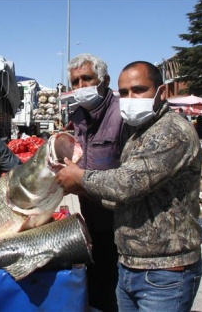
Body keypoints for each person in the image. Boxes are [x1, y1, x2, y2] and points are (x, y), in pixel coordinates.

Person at [56, 61, 202, 311]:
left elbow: (127, 184)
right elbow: (125, 199)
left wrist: (80, 178)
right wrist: (79, 188)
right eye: (124, 93)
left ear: (161, 92)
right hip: (131, 265)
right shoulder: (138, 134)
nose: (130, 98)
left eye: (139, 90)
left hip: (164, 270)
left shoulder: (171, 131)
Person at [64, 53, 133, 311]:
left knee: (119, 291)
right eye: (75, 82)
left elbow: (130, 174)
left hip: (121, 221)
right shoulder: (78, 116)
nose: (81, 87)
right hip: (92, 218)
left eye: (87, 79)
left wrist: (81, 180)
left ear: (104, 80)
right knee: (98, 289)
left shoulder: (122, 114)